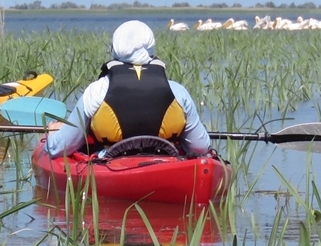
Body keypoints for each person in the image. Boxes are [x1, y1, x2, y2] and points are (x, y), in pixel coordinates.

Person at [43, 20, 211, 158]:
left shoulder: (96, 91)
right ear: (151, 47)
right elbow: (200, 147)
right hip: (166, 160)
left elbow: (61, 147)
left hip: (111, 162)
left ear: (115, 48)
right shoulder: (178, 91)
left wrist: (51, 135)